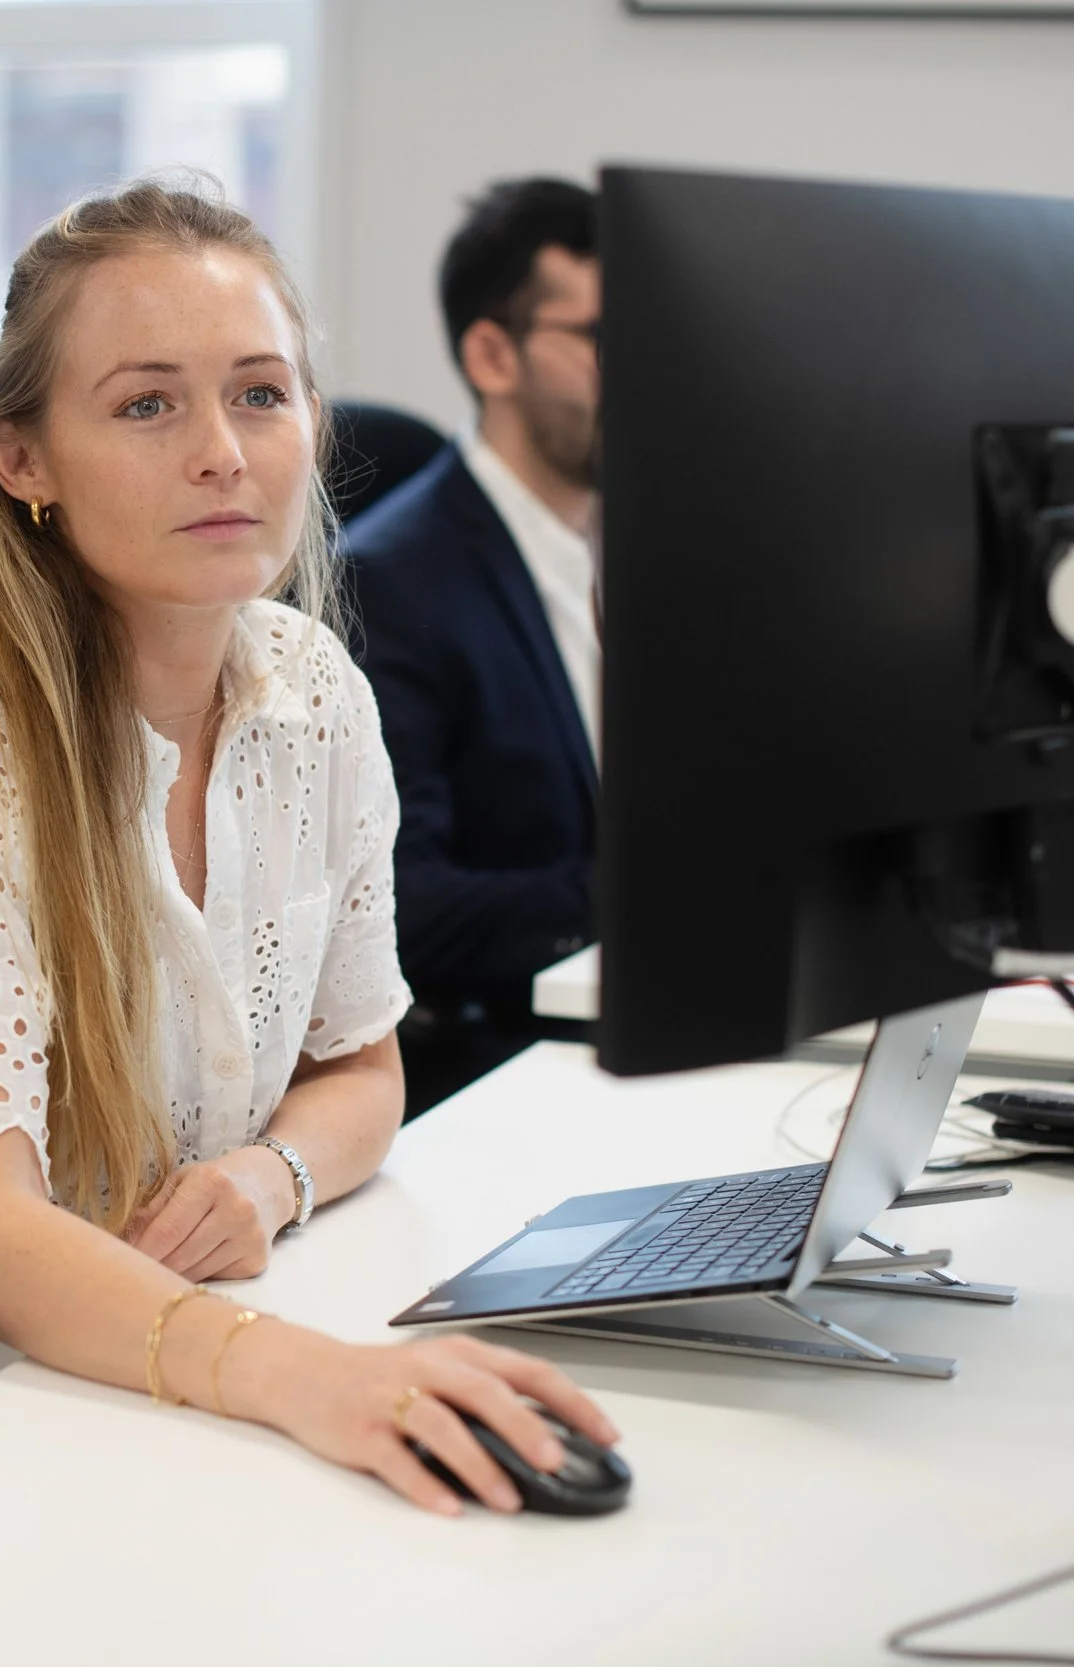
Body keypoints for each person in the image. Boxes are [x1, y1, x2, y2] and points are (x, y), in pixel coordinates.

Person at [0, 177, 617, 1521]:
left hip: (186, 1334)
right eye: (146, 404)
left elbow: (361, 1061)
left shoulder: (314, 693)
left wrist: (272, 1170)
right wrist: (312, 1378)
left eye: (260, 392)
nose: (223, 453)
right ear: (22, 461)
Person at [343, 178, 601, 1115]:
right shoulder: (390, 579)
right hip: (499, 1070)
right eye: (606, 341)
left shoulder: (647, 550)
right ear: (493, 353)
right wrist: (654, 900)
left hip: (616, 1031)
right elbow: (405, 908)